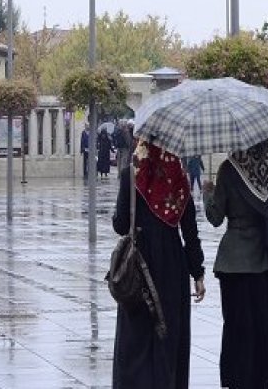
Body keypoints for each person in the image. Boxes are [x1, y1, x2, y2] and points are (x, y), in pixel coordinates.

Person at [203, 139, 268, 389]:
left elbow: (215, 217)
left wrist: (207, 194)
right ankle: (266, 380)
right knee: (267, 330)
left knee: (238, 328)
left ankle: (238, 380)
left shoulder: (229, 168)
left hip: (234, 263)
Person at [112, 138, 206, 389]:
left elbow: (120, 224)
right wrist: (197, 273)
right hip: (172, 267)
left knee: (137, 337)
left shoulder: (130, 175)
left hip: (138, 266)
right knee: (168, 334)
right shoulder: (179, 178)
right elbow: (190, 232)